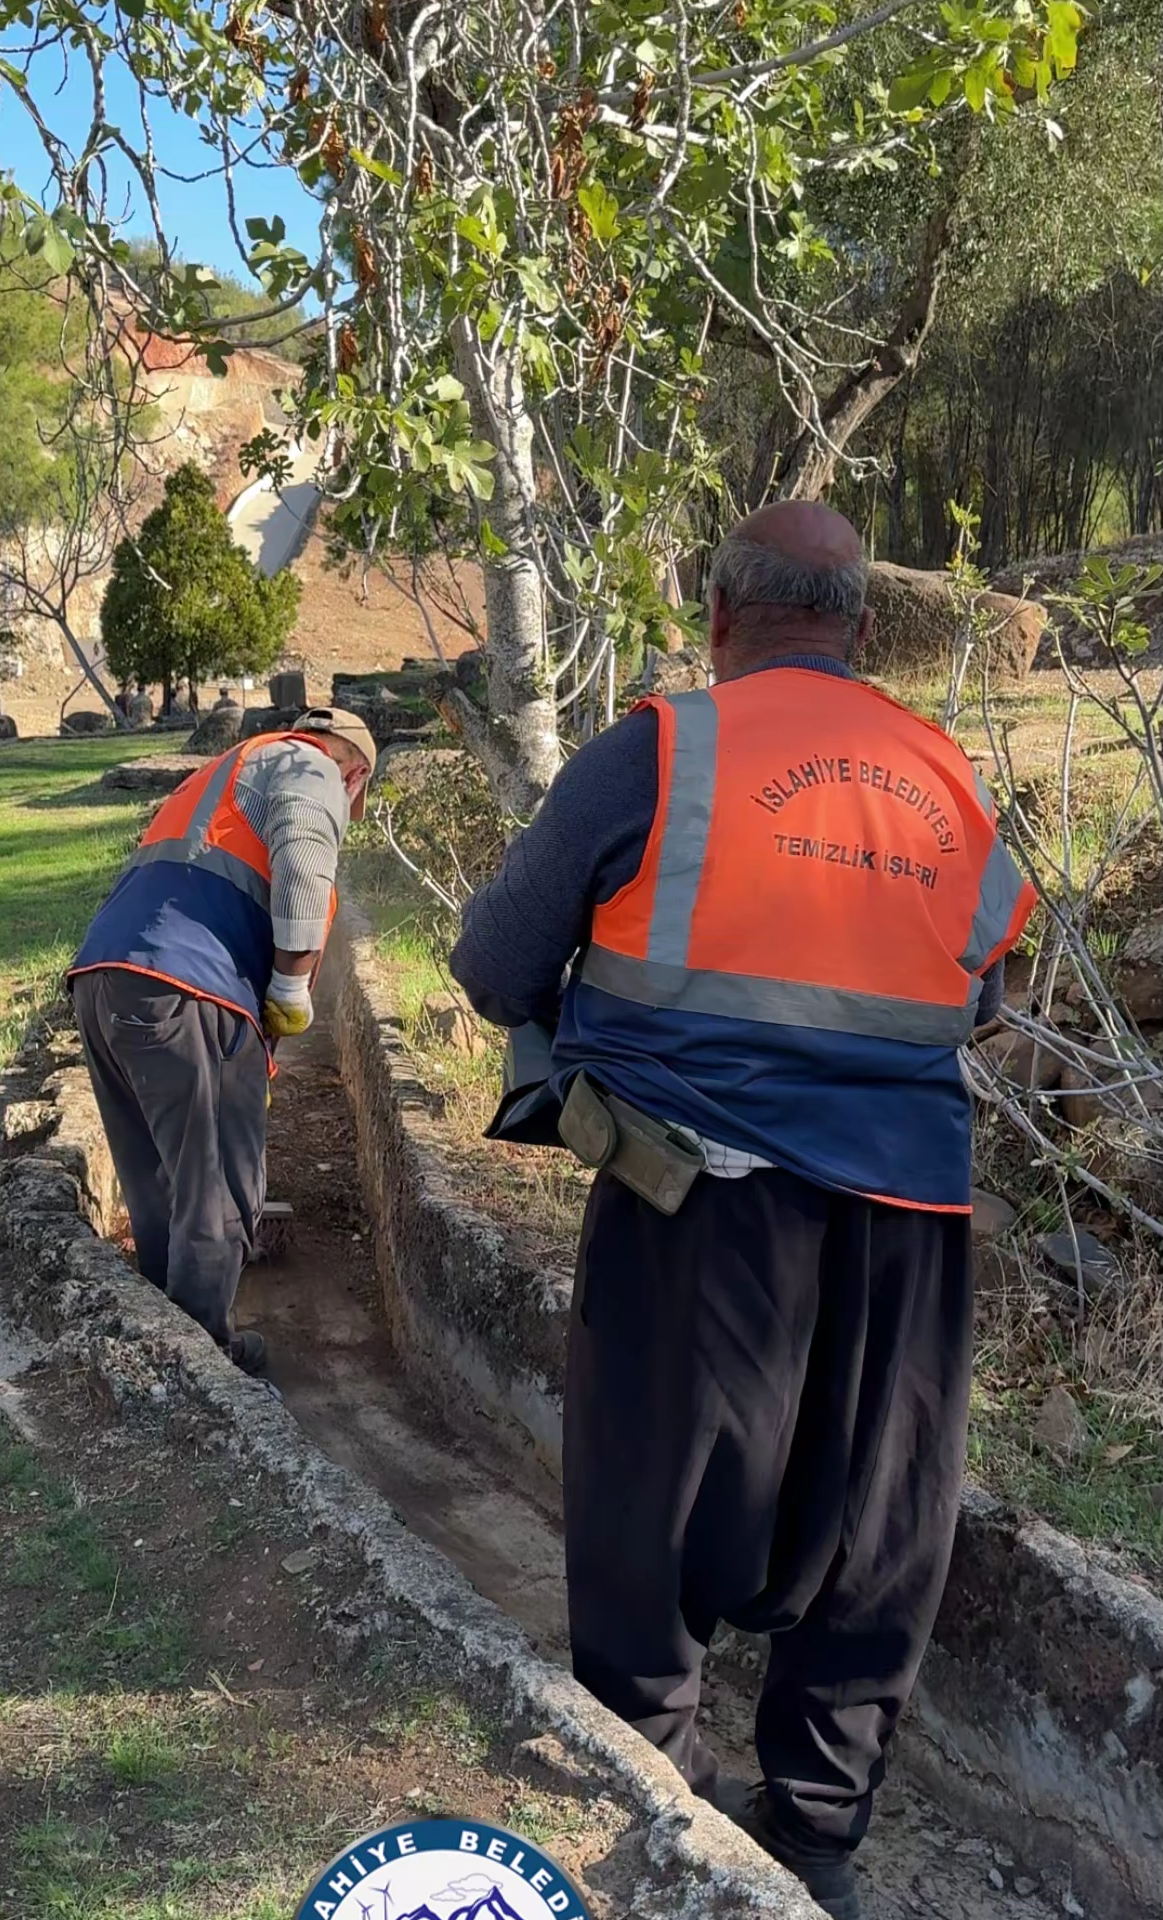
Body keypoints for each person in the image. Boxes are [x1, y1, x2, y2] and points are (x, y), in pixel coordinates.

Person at [449, 502, 1036, 1920]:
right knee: (881, 1518)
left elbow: (492, 960)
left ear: (720, 616)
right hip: (913, 1213)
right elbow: (985, 987)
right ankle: (820, 1831)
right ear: (860, 628)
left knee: (654, 1509)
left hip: (697, 1204)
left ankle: (647, 1799)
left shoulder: (661, 749)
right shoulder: (946, 774)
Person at [68, 706, 377, 1376]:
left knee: (156, 1181)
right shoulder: (312, 766)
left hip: (102, 981)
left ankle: (157, 1340)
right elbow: (302, 862)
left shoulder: (219, 778)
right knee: (217, 1187)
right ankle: (202, 1364)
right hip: (188, 991)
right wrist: (293, 986)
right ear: (354, 775)